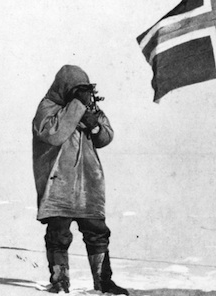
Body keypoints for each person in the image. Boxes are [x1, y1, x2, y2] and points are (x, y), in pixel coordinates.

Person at [32, 65, 128, 295]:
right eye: (78, 90)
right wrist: (77, 108)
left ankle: (103, 282)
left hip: (88, 183)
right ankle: (59, 281)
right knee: (58, 233)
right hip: (59, 184)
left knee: (97, 232)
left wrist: (94, 124)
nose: (83, 95)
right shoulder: (48, 108)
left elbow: (106, 136)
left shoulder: (87, 107)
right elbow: (53, 134)